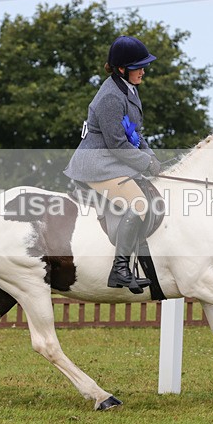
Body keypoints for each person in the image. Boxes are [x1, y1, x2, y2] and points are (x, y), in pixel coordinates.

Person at [64, 35, 161, 293]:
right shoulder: (110, 98)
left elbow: (135, 134)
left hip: (112, 160)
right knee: (138, 204)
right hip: (97, 164)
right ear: (122, 69)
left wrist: (151, 157)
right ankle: (119, 269)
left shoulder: (128, 90)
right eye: (138, 66)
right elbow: (118, 144)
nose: (143, 71)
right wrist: (145, 163)